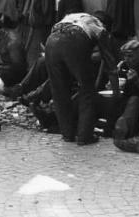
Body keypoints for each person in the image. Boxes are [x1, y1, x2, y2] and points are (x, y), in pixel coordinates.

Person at [45, 11, 119, 145]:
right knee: (87, 91)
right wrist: (116, 92)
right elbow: (111, 64)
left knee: (59, 91)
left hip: (51, 41)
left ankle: (68, 134)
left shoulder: (75, 17)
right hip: (73, 41)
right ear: (106, 25)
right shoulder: (100, 28)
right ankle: (85, 136)